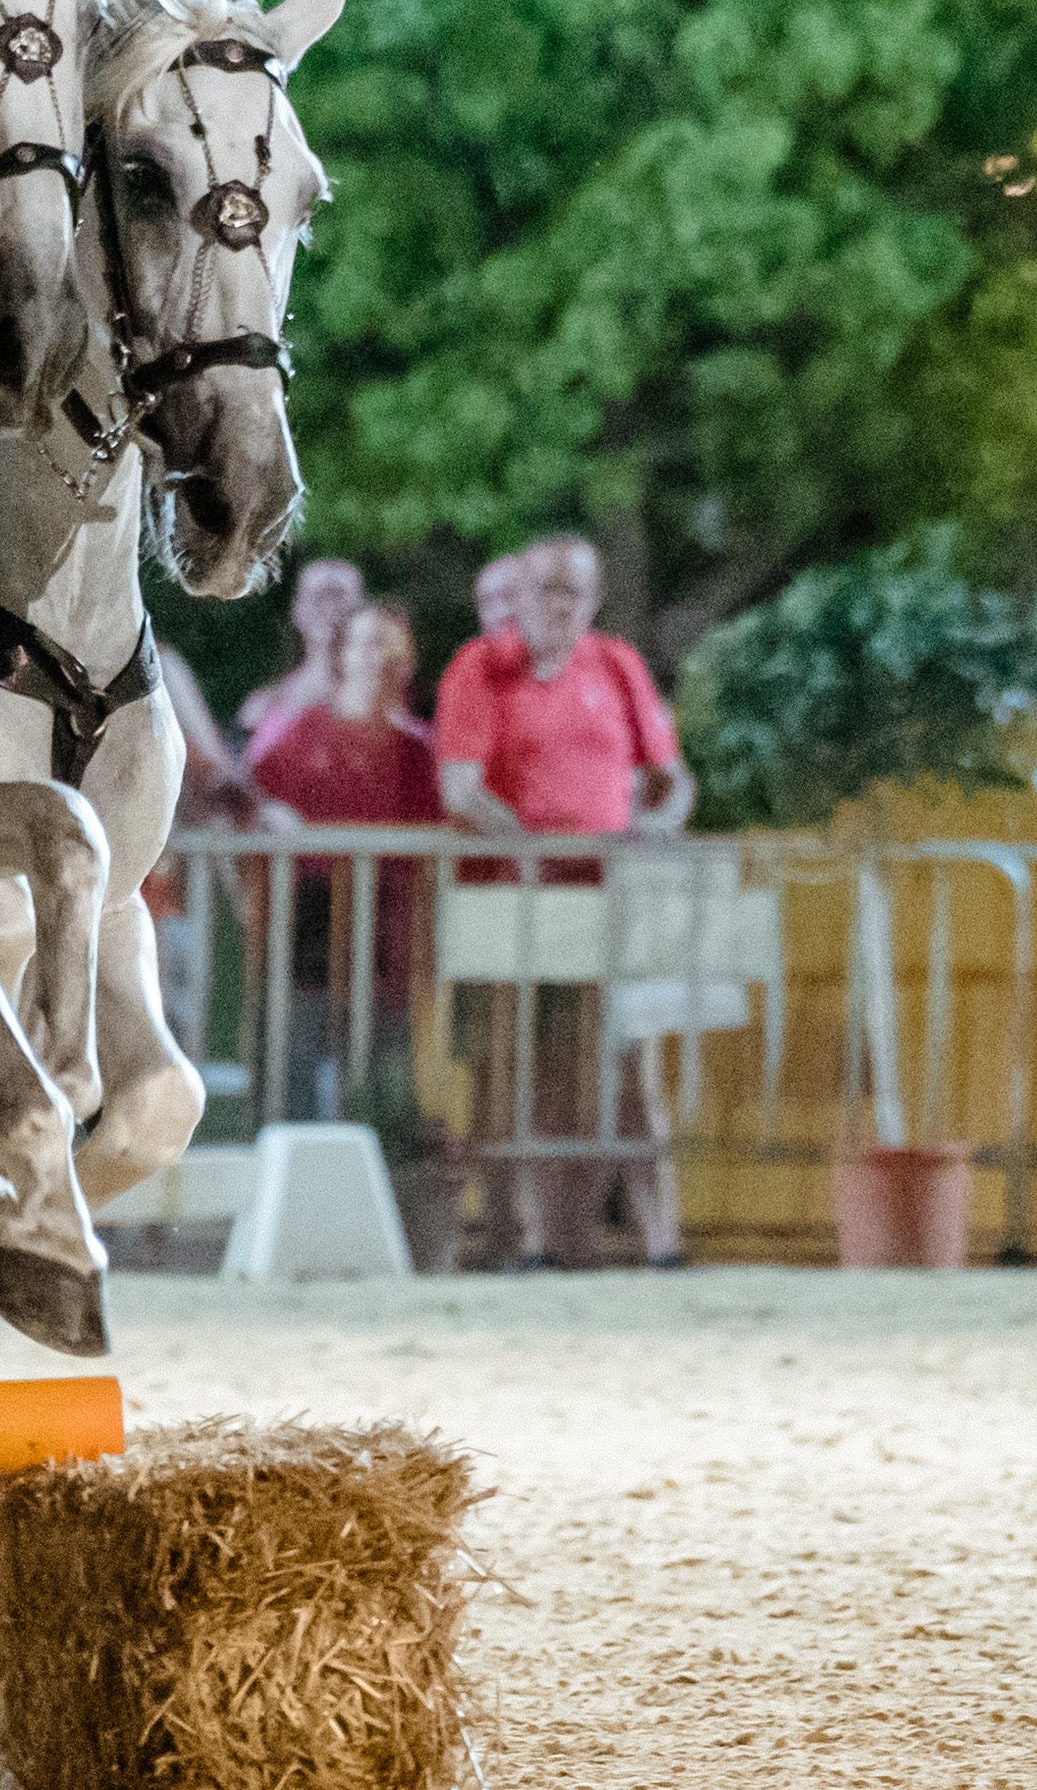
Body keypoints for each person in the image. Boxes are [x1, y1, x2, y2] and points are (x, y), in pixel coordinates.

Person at [435, 535, 696, 1268]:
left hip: (609, 906)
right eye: (546, 589)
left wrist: (657, 827)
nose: (559, 605)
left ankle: (656, 1243)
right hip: (511, 907)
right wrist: (529, 848)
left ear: (595, 598)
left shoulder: (617, 664)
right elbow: (462, 788)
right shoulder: (481, 668)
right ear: (517, 596)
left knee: (626, 1072)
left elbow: (673, 780)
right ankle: (515, 1239)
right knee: (512, 1073)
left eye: (573, 591)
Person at [249, 598, 447, 1107]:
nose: (372, 656)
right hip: (309, 911)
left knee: (382, 1071)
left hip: (390, 920)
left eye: (386, 644)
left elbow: (443, 833)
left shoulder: (420, 749)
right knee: (294, 1056)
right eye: (362, 642)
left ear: (405, 661)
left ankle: (383, 1160)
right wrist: (269, 813)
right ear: (343, 655)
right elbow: (251, 793)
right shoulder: (301, 726)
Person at [233, 558, 367, 760]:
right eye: (318, 598)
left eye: (338, 597)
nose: (329, 609)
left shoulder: (381, 699)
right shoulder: (263, 704)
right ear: (298, 610)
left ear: (360, 612)